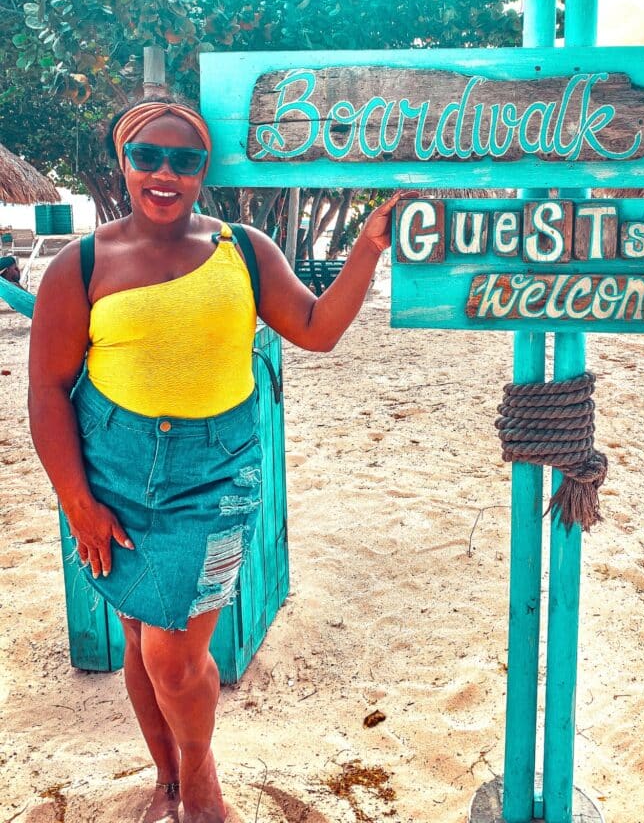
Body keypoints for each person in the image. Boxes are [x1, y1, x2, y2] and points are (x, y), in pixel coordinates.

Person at [28, 96, 406, 823]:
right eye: (148, 157)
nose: (164, 173)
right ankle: (165, 777)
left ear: (203, 170)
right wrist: (80, 504)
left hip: (216, 477)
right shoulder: (80, 264)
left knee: (173, 653)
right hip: (112, 473)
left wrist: (369, 245)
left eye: (184, 160)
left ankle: (201, 785)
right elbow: (46, 390)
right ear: (124, 161)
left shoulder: (245, 250)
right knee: (139, 629)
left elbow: (318, 330)